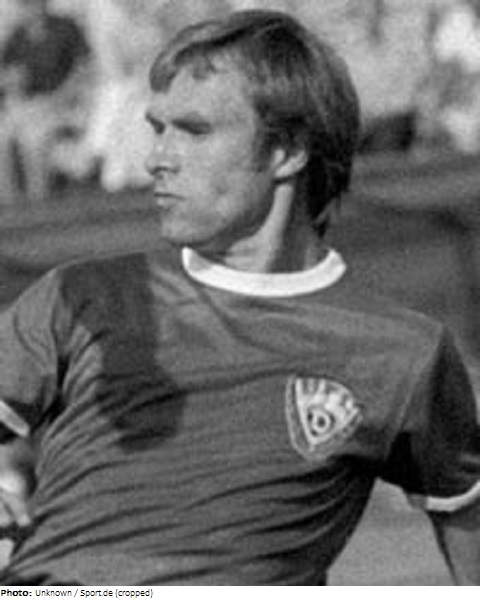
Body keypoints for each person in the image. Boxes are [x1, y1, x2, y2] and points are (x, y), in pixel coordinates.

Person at [0, 9, 479, 586]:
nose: (158, 158)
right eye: (158, 128)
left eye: (194, 131)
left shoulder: (403, 354)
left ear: (287, 151)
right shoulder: (81, 296)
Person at [0, 0, 90, 203]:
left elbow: (83, 70)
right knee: (2, 134)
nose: (30, 8)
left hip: (62, 103)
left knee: (32, 139)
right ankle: (7, 200)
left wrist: (57, 99)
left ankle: (39, 198)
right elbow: (9, 78)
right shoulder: (17, 37)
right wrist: (13, 85)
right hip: (29, 105)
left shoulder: (66, 28)